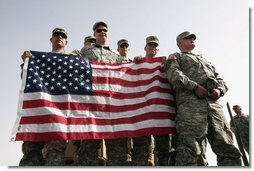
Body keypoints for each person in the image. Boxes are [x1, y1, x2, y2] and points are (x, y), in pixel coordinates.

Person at [164, 31, 242, 166]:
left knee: (226, 144)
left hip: (214, 106)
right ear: (179, 43)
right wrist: (194, 87)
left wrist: (219, 90)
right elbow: (173, 74)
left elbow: (220, 79)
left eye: (193, 38)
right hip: (191, 105)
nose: (192, 39)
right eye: (187, 38)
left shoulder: (204, 60)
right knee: (191, 147)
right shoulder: (176, 56)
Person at [73, 21, 128, 166]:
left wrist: (142, 62)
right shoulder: (86, 51)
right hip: (93, 107)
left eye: (105, 30)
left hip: (112, 107)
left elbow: (128, 68)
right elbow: (69, 60)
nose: (102, 32)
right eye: (99, 30)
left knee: (117, 151)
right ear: (94, 34)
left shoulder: (116, 55)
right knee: (88, 150)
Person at [19, 28, 69, 166]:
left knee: (56, 152)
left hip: (58, 114)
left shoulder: (71, 61)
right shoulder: (39, 60)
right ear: (51, 39)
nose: (59, 37)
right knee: (31, 151)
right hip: (38, 111)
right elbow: (25, 79)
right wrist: (26, 64)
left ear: (66, 41)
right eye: (56, 35)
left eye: (62, 36)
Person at [132, 36, 173, 166]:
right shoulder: (137, 63)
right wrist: (133, 62)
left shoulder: (164, 63)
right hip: (142, 113)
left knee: (164, 149)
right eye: (150, 45)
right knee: (141, 148)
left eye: (155, 45)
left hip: (160, 113)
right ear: (145, 47)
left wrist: (167, 63)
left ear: (158, 49)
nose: (152, 47)